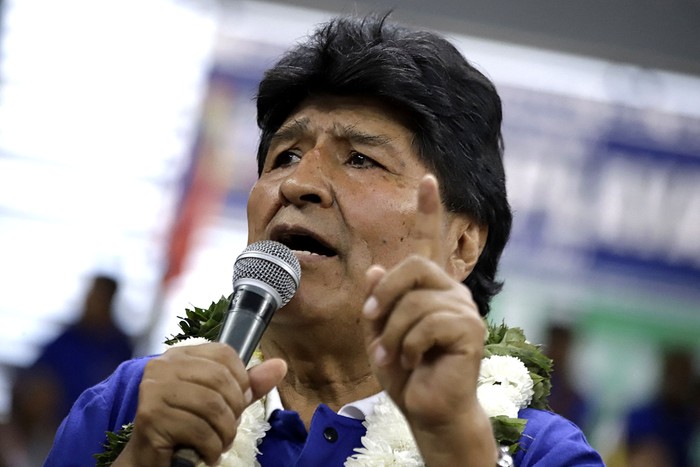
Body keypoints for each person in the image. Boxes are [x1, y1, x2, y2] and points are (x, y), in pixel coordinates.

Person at [45, 14, 603, 466]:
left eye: (361, 159)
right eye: (284, 155)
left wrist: (455, 441)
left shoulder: (538, 454)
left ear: (461, 246)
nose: (299, 183)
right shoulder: (131, 405)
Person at [31, 274, 133, 419]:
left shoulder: (119, 349)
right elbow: (36, 375)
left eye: (97, 297)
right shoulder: (68, 339)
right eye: (89, 295)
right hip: (54, 424)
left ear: (109, 301)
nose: (89, 302)